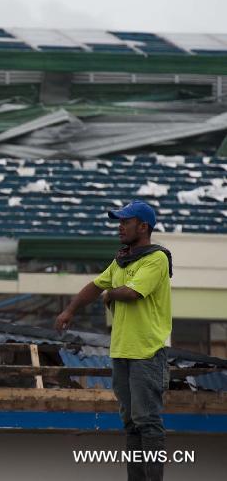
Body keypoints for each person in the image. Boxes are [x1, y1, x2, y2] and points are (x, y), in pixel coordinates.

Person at [55, 200, 172, 481]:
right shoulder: (122, 260)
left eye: (125, 221)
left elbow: (130, 293)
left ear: (143, 227)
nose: (119, 227)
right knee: (131, 422)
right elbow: (95, 286)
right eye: (119, 221)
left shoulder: (156, 258)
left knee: (148, 422)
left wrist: (109, 295)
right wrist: (70, 310)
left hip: (146, 353)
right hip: (122, 352)